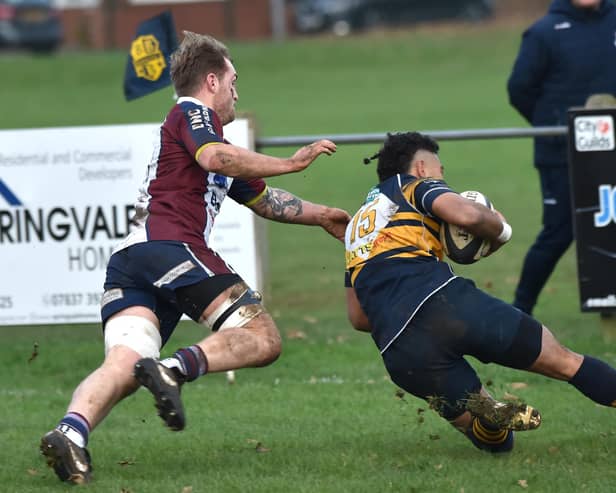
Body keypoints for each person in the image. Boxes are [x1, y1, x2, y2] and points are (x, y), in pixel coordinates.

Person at [39, 31, 351, 485]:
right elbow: (214, 158)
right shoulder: (193, 113)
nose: (236, 93)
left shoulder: (211, 141)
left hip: (132, 259)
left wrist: (323, 215)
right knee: (262, 338)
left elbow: (263, 200)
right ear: (211, 81)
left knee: (124, 364)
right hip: (170, 246)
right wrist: (293, 161)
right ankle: (171, 369)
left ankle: (71, 432)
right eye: (233, 81)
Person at [344, 131, 616, 453]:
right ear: (421, 167)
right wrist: (501, 230)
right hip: (447, 305)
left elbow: (359, 318)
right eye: (440, 171)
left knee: (498, 443)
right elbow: (468, 215)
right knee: (567, 363)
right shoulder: (414, 186)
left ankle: (489, 415)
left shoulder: (355, 229)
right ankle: (490, 408)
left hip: (400, 349)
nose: (443, 178)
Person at [507, 0, 616, 315]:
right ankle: (520, 309)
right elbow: (519, 89)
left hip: (611, 156)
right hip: (560, 156)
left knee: (609, 226)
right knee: (559, 232)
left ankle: (608, 299)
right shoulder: (544, 32)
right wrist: (554, 125)